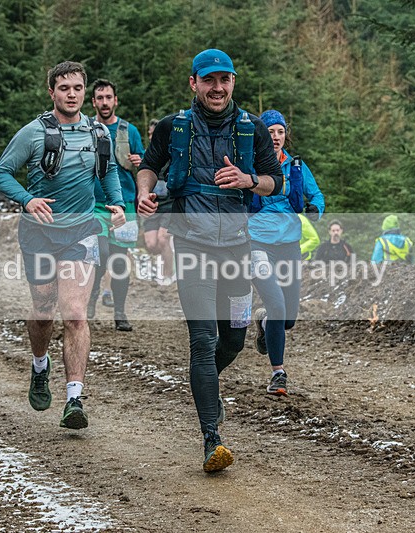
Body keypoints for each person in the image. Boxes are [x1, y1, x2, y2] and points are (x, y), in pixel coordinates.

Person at [137, 49, 283, 472]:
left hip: (237, 248)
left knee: (233, 339)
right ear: (194, 83)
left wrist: (248, 180)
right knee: (203, 341)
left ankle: (207, 385)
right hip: (193, 249)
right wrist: (145, 192)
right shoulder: (174, 127)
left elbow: (275, 182)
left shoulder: (251, 129)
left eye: (225, 80)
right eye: (209, 80)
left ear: (233, 82)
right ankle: (211, 440)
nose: (217, 88)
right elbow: (148, 166)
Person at [0, 61, 126, 430]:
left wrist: (116, 202)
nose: (71, 94)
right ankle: (39, 366)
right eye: (64, 88)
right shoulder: (33, 133)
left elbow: (109, 170)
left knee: (75, 312)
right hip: (38, 233)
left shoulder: (98, 132)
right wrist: (27, 199)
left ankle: (74, 398)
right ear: (51, 92)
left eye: (77, 88)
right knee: (43, 308)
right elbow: (0, 174)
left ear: (85, 92)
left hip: (81, 231)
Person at [249, 109, 325, 397]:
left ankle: (265, 323)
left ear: (285, 135)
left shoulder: (295, 166)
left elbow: (316, 194)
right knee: (278, 305)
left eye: (280, 132)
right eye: (270, 132)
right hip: (257, 245)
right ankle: (278, 374)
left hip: (290, 244)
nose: (276, 137)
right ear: (262, 136)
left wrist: (316, 209)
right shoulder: (251, 164)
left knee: (288, 318)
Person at [86, 79, 146, 331]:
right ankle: (88, 303)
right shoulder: (86, 128)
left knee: (120, 261)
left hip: (125, 205)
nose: (105, 102)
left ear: (116, 100)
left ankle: (120, 313)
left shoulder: (128, 131)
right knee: (98, 256)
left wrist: (138, 161)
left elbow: (145, 167)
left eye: (108, 97)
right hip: (94, 204)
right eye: (100, 98)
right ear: (93, 102)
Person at [142, 118, 175, 285]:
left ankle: (168, 275)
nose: (151, 136)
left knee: (163, 239)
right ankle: (166, 261)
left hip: (170, 205)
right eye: (149, 134)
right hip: (154, 205)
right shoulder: (147, 154)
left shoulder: (172, 153)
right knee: (151, 244)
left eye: (153, 134)